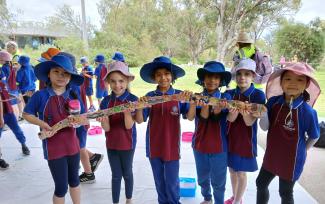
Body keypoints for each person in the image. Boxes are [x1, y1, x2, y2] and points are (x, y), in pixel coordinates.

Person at [23, 55, 85, 204]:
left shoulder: (73, 95)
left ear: (70, 77)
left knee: (75, 181)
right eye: (56, 71)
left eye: (65, 73)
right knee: (61, 187)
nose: (60, 76)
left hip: (73, 147)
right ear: (48, 75)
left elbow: (83, 118)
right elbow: (26, 114)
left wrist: (78, 122)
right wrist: (42, 123)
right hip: (54, 149)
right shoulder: (40, 95)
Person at [256, 62, 321, 204]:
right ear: (281, 82)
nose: (293, 83)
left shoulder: (308, 112)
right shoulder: (273, 102)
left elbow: (315, 136)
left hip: (292, 161)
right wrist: (263, 114)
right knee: (260, 183)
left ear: (306, 85)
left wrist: (304, 149)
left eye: (299, 80)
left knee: (285, 192)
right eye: (288, 78)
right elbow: (265, 127)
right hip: (272, 156)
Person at [136, 56, 189, 204]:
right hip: (154, 147)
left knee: (172, 182)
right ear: (154, 77)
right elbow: (140, 120)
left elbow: (190, 117)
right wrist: (140, 108)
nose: (163, 77)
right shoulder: (149, 97)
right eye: (159, 74)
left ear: (172, 76)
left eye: (166, 74)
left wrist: (190, 101)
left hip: (172, 147)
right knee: (159, 181)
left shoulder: (179, 96)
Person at [187, 61, 232, 204]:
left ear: (220, 81)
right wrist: (197, 105)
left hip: (219, 147)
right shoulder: (197, 97)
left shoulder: (226, 98)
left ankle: (219, 201)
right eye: (208, 76)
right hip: (199, 145)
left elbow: (221, 118)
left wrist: (219, 110)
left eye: (216, 77)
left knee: (219, 181)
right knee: (202, 178)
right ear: (203, 79)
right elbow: (193, 117)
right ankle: (207, 198)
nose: (212, 80)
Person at [224, 59, 266, 204]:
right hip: (230, 138)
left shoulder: (258, 95)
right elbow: (229, 119)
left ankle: (236, 202)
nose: (242, 77)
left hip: (246, 140)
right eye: (239, 74)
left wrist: (243, 111)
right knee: (232, 171)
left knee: (241, 173)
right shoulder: (229, 93)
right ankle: (236, 197)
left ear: (253, 76)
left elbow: (249, 122)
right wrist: (236, 110)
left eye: (247, 74)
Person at [98, 61, 137, 204]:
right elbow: (107, 128)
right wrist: (103, 120)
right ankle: (115, 201)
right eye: (113, 81)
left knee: (127, 172)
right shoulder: (105, 101)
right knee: (115, 175)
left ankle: (129, 199)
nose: (117, 85)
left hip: (128, 144)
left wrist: (127, 113)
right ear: (108, 82)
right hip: (112, 144)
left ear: (127, 81)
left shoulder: (133, 100)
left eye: (121, 81)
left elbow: (129, 126)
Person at [0, 50, 30, 156]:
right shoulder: (6, 68)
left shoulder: (3, 71)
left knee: (17, 129)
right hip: (2, 110)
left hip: (7, 108)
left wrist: (13, 95)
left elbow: (4, 89)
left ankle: (24, 144)